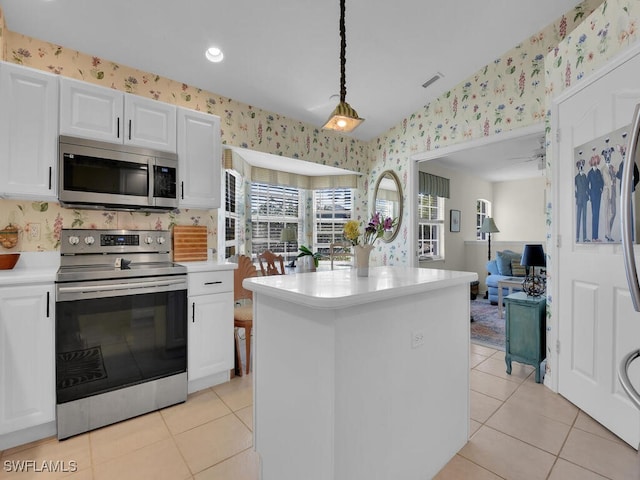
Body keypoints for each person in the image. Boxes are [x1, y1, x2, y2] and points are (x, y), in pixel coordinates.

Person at [587, 151, 604, 242]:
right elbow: (587, 185)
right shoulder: (589, 173)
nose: (595, 163)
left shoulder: (598, 172)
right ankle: (594, 237)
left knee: (597, 215)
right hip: (593, 196)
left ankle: (596, 237)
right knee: (594, 215)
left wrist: (601, 188)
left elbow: (602, 182)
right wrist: (590, 194)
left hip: (598, 195)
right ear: (592, 163)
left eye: (596, 162)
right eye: (594, 162)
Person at [575, 156, 589, 243]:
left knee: (584, 217)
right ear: (578, 167)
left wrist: (588, 194)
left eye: (582, 165)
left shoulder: (585, 176)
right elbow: (574, 188)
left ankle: (584, 237)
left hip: (585, 199)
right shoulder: (576, 178)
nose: (581, 166)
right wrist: (576, 196)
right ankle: (577, 237)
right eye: (580, 165)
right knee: (578, 218)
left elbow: (587, 187)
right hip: (579, 199)